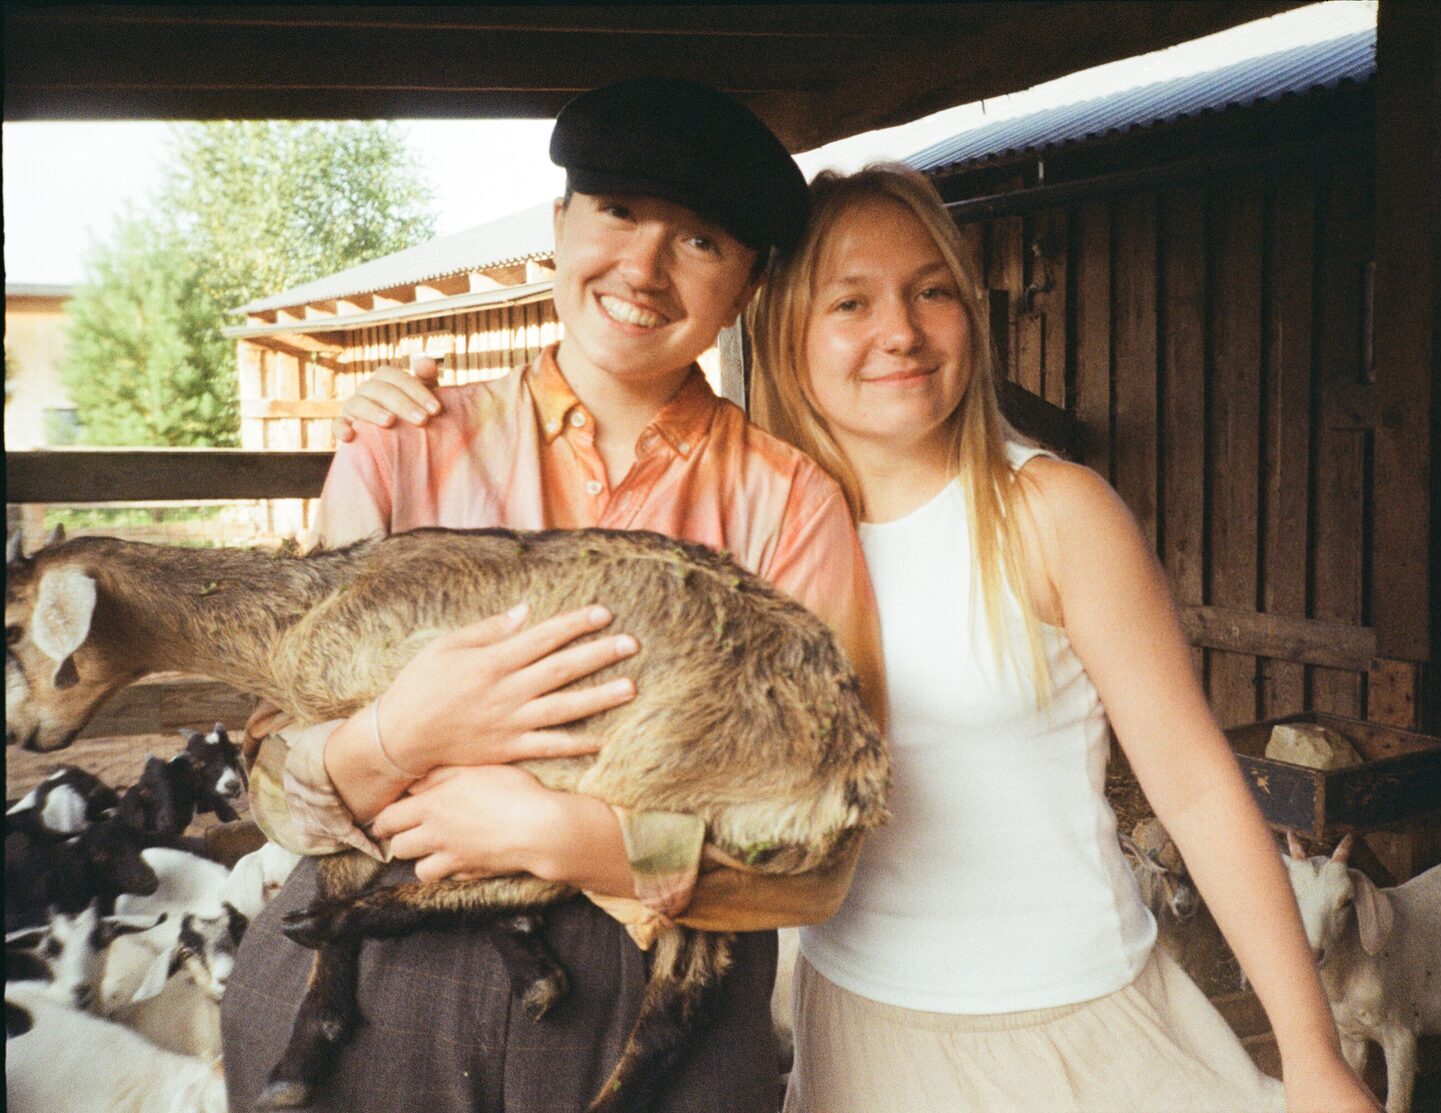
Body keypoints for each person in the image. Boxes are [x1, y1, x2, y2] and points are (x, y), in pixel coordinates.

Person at [341, 164, 1380, 1110]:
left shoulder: (1051, 510)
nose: (902, 332)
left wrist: (1314, 1052)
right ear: (786, 328)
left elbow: (1195, 788)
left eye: (932, 291)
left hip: (1070, 1018)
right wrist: (408, 423)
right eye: (851, 303)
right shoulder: (756, 535)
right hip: (857, 1029)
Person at [221, 78, 884, 1113]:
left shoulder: (787, 505)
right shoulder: (403, 452)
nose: (645, 269)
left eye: (700, 241)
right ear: (560, 223)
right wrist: (393, 738)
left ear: (748, 284)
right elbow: (272, 780)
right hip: (372, 967)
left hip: (656, 1001)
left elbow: (821, 849)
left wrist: (567, 837)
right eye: (617, 212)